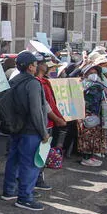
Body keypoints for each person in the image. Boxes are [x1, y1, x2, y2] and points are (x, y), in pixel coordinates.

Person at [1, 51, 49, 211]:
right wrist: (43, 132)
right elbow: (36, 110)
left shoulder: (13, 81)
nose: (37, 67)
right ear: (30, 67)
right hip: (30, 129)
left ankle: (9, 191)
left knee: (13, 160)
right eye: (35, 64)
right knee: (30, 164)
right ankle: (25, 197)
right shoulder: (33, 83)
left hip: (16, 127)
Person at [34, 60, 66, 191]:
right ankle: (37, 179)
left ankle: (36, 178)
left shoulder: (45, 82)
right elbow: (45, 106)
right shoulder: (37, 83)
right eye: (47, 66)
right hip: (44, 123)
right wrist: (57, 119)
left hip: (49, 121)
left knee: (42, 153)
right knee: (39, 154)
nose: (50, 68)